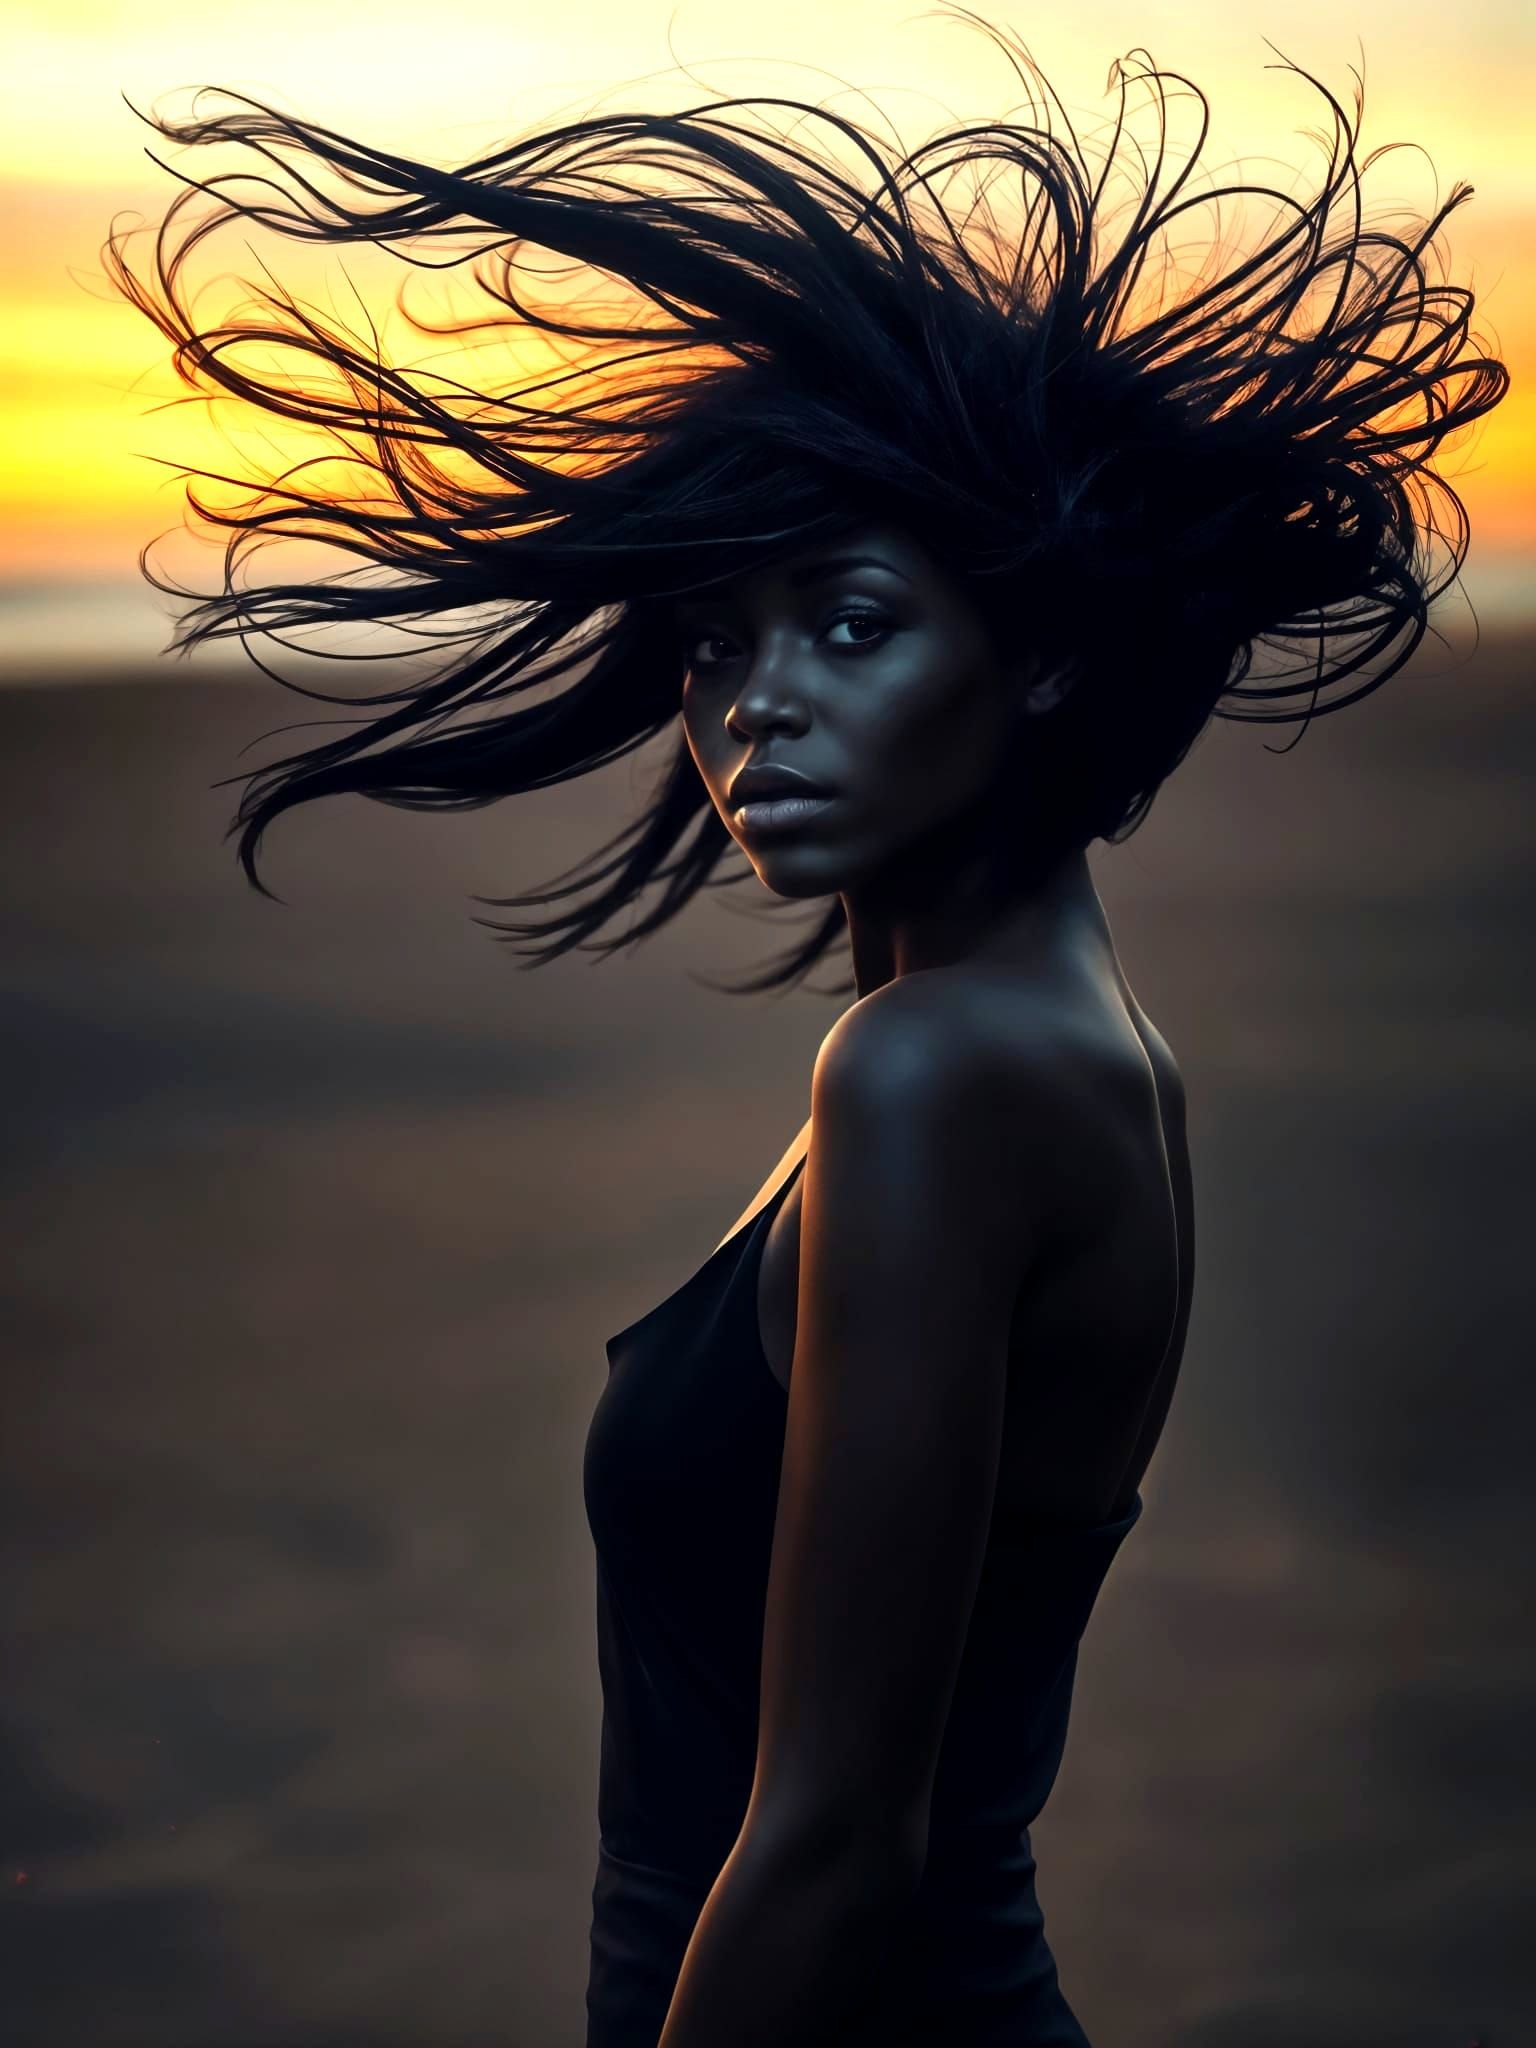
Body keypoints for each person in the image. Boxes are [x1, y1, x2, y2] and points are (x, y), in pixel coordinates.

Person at [105, 15, 1508, 2043]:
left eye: (849, 619)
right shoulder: (1070, 1047)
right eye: (713, 645)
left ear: (1033, 651)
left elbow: (844, 1834)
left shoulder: (936, 1074)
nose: (753, 706)